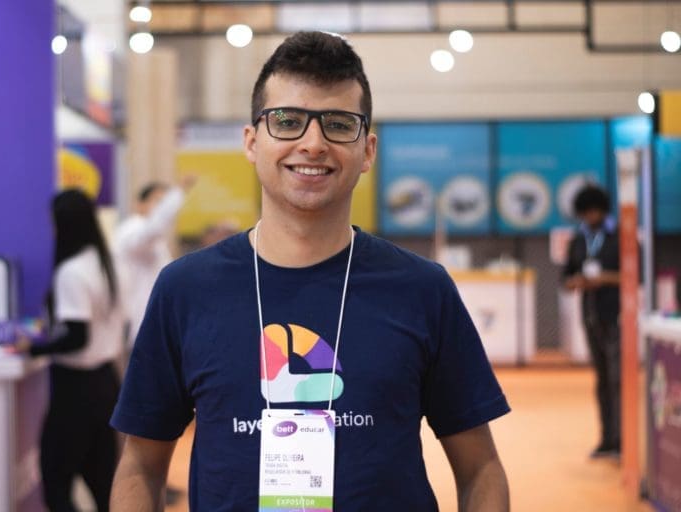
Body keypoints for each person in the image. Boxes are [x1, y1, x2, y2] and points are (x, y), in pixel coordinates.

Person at [110, 31, 510, 511]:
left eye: (339, 124)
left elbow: (480, 468)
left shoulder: (422, 289)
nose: (313, 143)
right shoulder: (185, 289)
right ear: (252, 142)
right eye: (288, 121)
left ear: (367, 150)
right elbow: (140, 465)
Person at [21, 189, 123, 511]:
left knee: (56, 476)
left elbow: (77, 336)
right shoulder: (104, 262)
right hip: (106, 382)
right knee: (101, 478)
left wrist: (33, 349)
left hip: (76, 388)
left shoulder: (71, 271)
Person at [563, 184, 621, 458]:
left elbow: (636, 276)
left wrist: (605, 279)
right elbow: (566, 278)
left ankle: (623, 440)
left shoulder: (620, 237)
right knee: (601, 380)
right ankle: (607, 438)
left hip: (617, 316)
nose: (589, 216)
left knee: (617, 379)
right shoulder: (578, 240)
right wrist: (577, 282)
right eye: (585, 213)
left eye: (593, 211)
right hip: (590, 317)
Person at [112, 176, 195, 348]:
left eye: (164, 202)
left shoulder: (153, 238)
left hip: (154, 318)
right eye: (158, 201)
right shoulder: (132, 229)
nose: (162, 207)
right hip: (138, 319)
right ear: (139, 204)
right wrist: (176, 194)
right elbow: (154, 226)